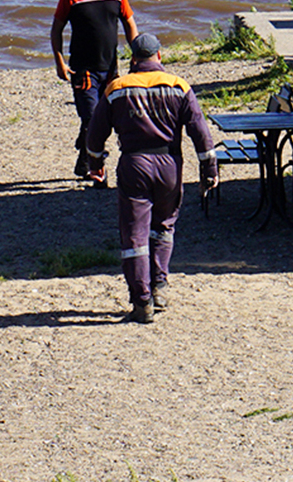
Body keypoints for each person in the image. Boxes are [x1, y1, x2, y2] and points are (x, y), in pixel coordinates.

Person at [81, 33, 219, 324]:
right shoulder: (179, 86)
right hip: (170, 164)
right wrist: (209, 169)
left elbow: (95, 133)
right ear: (159, 56)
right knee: (164, 227)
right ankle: (160, 286)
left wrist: (95, 162)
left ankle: (141, 301)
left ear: (132, 59)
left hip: (134, 164)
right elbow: (200, 132)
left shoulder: (116, 88)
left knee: (134, 234)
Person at [51, 0, 137, 188]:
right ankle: (97, 170)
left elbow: (129, 23)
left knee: (105, 119)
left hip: (110, 69)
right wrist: (59, 60)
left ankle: (84, 157)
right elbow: (56, 28)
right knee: (91, 117)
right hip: (83, 70)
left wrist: (137, 53)